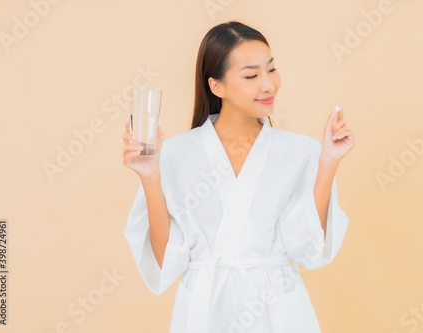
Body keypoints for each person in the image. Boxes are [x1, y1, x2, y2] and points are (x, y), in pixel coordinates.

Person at [122, 21, 354, 333]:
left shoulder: (302, 152)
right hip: (207, 312)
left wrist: (328, 162)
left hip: (279, 312)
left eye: (271, 70)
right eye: (251, 75)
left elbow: (309, 251)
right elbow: (166, 263)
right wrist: (150, 177)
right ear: (217, 86)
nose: (268, 85)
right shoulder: (174, 154)